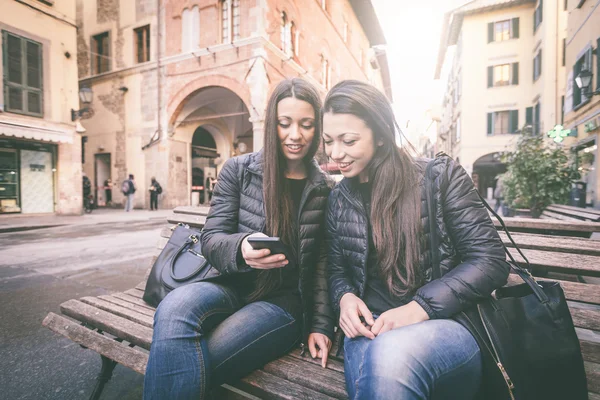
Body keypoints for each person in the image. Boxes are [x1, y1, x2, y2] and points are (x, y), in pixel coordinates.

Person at [144, 78, 335, 400]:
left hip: (282, 303)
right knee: (174, 309)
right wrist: (241, 248)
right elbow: (212, 238)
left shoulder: (326, 189)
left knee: (197, 362)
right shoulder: (239, 169)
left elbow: (323, 267)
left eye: (306, 125)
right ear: (271, 123)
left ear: (317, 127)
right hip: (226, 284)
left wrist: (320, 324)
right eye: (284, 123)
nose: (295, 135)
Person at [322, 80, 510, 400]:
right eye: (328, 141)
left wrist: (419, 308)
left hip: (447, 326)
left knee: (389, 355)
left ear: (381, 136)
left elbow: (490, 261)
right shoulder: (338, 198)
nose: (335, 153)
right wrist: (345, 297)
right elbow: (338, 268)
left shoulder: (439, 177)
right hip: (372, 329)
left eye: (348, 140)